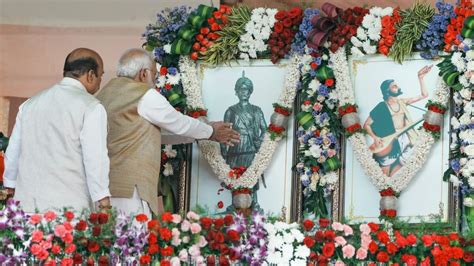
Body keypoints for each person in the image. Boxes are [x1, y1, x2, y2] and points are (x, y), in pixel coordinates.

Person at [96, 48, 240, 217]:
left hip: (105, 188)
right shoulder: (143, 94)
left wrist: (201, 132)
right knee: (133, 240)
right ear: (143, 74)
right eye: (155, 77)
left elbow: (156, 132)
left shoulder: (104, 94)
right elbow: (176, 122)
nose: (155, 83)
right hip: (131, 189)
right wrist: (211, 131)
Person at [3, 48, 111, 213]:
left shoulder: (30, 104)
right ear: (90, 75)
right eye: (100, 76)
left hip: (27, 208)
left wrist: (10, 188)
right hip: (67, 213)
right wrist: (104, 204)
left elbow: (13, 152)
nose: (99, 82)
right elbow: (96, 160)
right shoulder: (91, 107)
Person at [364, 65, 432, 177]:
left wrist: (420, 78)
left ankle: (394, 184)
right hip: (390, 140)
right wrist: (375, 138)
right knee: (384, 169)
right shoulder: (381, 106)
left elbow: (424, 95)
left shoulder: (403, 102)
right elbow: (366, 125)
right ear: (387, 90)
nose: (398, 87)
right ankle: (386, 186)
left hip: (406, 137)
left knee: (404, 163)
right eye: (395, 86)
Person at [220, 71, 267, 210]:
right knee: (235, 175)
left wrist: (258, 141)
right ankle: (235, 203)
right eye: (241, 89)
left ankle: (254, 203)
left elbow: (265, 129)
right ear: (237, 92)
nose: (244, 92)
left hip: (250, 148)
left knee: (251, 174)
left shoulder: (256, 110)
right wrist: (223, 150)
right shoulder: (231, 111)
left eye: (246, 89)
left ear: (250, 92)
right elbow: (223, 132)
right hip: (235, 146)